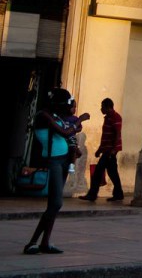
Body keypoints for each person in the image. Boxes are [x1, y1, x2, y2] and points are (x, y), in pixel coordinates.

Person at [24, 88, 82, 255]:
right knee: (56, 203)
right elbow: (64, 131)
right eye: (65, 105)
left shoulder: (57, 117)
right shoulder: (44, 116)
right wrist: (79, 121)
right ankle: (32, 242)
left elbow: (68, 132)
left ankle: (45, 242)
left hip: (63, 160)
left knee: (54, 206)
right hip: (54, 161)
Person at [81, 99, 123, 202]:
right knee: (112, 173)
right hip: (107, 149)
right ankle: (118, 193)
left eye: (102, 107)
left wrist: (114, 149)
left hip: (110, 151)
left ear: (108, 107)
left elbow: (117, 134)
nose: (101, 109)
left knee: (99, 172)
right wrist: (100, 149)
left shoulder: (115, 117)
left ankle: (92, 194)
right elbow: (105, 137)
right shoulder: (108, 118)